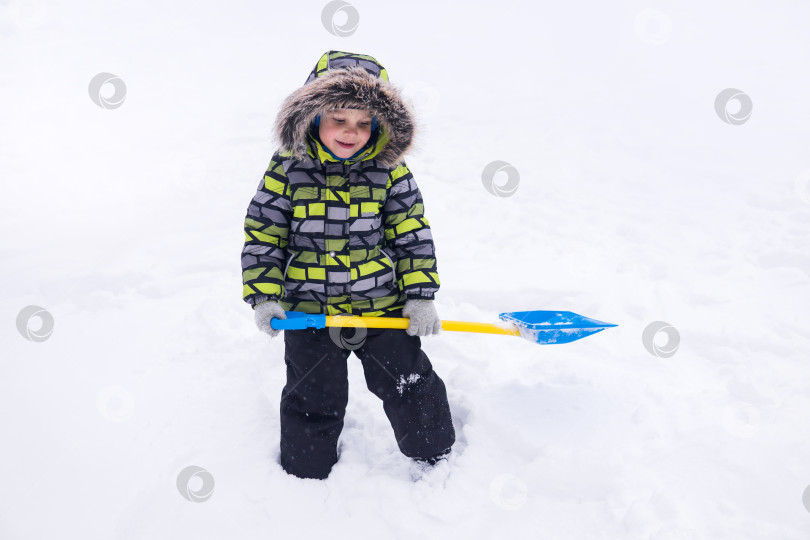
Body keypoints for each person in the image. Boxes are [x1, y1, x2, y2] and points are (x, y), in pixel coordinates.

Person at [240, 51, 455, 480]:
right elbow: (264, 233)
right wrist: (264, 296)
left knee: (408, 381)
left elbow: (410, 232)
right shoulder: (286, 168)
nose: (351, 132)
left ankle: (436, 455)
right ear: (312, 116)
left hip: (380, 306)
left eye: (363, 123)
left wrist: (419, 296)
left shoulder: (390, 170)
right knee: (313, 394)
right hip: (310, 312)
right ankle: (306, 473)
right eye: (339, 118)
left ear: (380, 125)